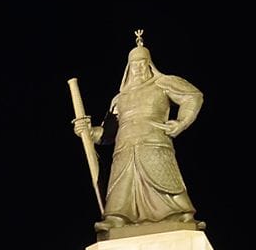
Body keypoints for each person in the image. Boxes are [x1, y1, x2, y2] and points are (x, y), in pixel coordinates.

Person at [74, 32, 203, 229]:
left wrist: (181, 121)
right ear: (129, 68)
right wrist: (88, 132)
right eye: (135, 64)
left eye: (144, 63)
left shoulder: (162, 83)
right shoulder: (120, 99)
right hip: (124, 147)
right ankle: (116, 218)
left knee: (163, 178)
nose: (140, 68)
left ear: (150, 64)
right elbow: (107, 134)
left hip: (154, 141)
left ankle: (182, 215)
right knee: (121, 186)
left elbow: (193, 96)